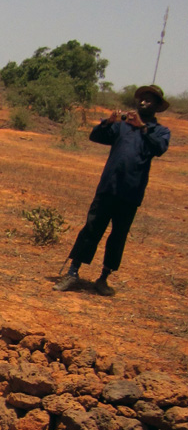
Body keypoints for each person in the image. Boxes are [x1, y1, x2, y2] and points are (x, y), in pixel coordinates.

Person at [54, 85, 171, 296]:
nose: (143, 102)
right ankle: (73, 273)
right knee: (91, 229)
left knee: (118, 236)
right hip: (108, 187)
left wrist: (143, 128)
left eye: (148, 100)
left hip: (131, 193)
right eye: (141, 99)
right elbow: (96, 136)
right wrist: (108, 122)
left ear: (156, 106)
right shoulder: (122, 127)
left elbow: (159, 149)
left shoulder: (159, 131)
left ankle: (103, 278)